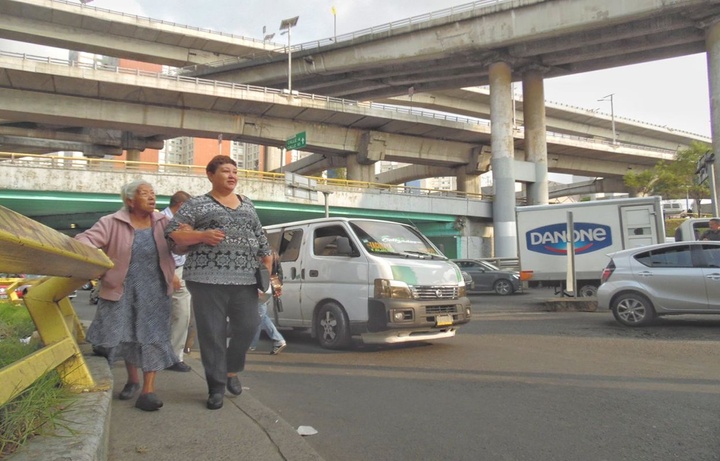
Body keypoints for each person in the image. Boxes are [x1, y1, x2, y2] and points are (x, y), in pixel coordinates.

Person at [165, 155, 272, 410]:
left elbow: (261, 237)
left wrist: (267, 266)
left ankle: (231, 370)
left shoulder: (247, 204)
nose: (232, 175)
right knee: (212, 333)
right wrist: (201, 235)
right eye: (226, 171)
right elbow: (171, 234)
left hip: (245, 280)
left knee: (248, 326)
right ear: (210, 175)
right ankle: (215, 387)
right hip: (205, 279)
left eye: (235, 171)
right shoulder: (197, 205)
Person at [75, 179, 177, 412]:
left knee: (153, 335)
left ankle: (148, 391)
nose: (152, 197)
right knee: (127, 335)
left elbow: (179, 245)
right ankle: (132, 380)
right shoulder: (111, 222)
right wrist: (100, 267)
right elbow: (84, 241)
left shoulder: (163, 222)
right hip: (122, 288)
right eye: (145, 194)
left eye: (153, 194)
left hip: (155, 289)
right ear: (130, 200)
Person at [161, 190, 193, 372]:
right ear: (181, 206)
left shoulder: (180, 223)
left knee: (181, 315)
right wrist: (170, 272)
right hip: (168, 271)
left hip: (180, 270)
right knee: (172, 315)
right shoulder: (161, 221)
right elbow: (159, 248)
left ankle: (173, 357)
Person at [250, 251, 286, 354]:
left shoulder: (260, 255)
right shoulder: (273, 254)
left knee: (260, 316)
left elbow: (257, 274)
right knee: (260, 315)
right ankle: (252, 344)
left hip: (260, 289)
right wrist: (278, 288)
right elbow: (279, 273)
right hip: (269, 289)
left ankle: (278, 339)